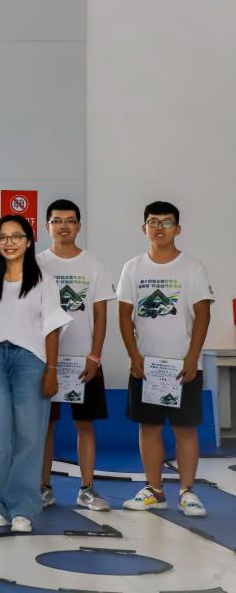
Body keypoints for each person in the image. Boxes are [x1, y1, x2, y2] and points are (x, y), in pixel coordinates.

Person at [0, 214, 72, 533]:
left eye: (16, 236)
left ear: (28, 241)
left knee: (30, 435)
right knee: (2, 437)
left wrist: (51, 370)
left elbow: (52, 328)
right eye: (3, 237)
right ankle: (4, 505)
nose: (9, 243)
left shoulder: (43, 281)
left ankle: (23, 508)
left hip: (31, 361)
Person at [118, 201, 212, 517]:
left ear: (178, 229)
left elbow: (202, 315)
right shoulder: (133, 268)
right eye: (153, 221)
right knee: (149, 427)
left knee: (185, 429)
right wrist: (133, 355)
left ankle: (187, 492)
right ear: (144, 228)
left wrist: (192, 357)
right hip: (146, 367)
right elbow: (124, 314)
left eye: (167, 222)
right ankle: (155, 490)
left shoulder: (192, 267)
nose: (159, 227)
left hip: (183, 366)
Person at [37, 199, 115, 511]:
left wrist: (95, 356)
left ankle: (87, 489)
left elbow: (101, 315)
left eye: (70, 220)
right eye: (57, 220)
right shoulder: (37, 264)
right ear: (47, 226)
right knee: (45, 426)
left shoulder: (94, 264)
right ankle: (43, 487)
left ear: (79, 226)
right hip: (46, 362)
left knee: (85, 425)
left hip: (84, 362)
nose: (63, 226)